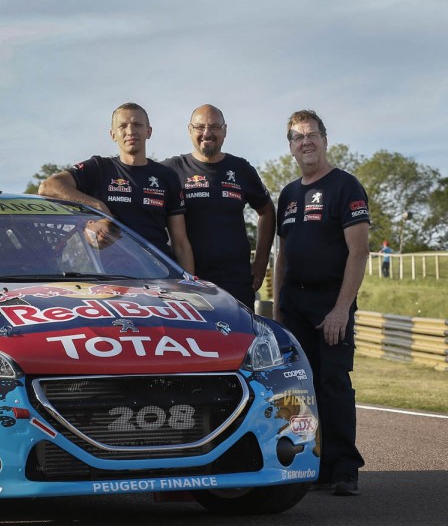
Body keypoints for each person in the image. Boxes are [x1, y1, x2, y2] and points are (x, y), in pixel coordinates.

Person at [273, 109, 369, 497]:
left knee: (332, 384)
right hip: (293, 302)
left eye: (311, 134)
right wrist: (278, 307)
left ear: (325, 139)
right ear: (291, 147)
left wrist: (341, 308)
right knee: (296, 390)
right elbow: (283, 254)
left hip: (331, 300)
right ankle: (311, 462)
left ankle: (344, 468)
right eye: (297, 137)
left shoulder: (346, 186)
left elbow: (359, 252)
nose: (306, 142)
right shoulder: (289, 194)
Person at [38, 103, 194, 272]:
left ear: (148, 131)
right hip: (113, 279)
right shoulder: (99, 168)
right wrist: (99, 207)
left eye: (137, 125)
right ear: (113, 134)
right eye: (123, 126)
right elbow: (48, 186)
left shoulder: (166, 175)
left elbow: (180, 243)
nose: (130, 131)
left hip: (160, 275)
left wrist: (192, 286)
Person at [161, 105, 275, 307]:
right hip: (185, 282)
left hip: (236, 281)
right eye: (199, 127)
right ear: (189, 130)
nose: (207, 133)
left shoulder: (241, 169)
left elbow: (266, 211)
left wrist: (261, 261)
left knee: (241, 338)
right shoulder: (170, 170)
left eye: (214, 126)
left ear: (225, 130)